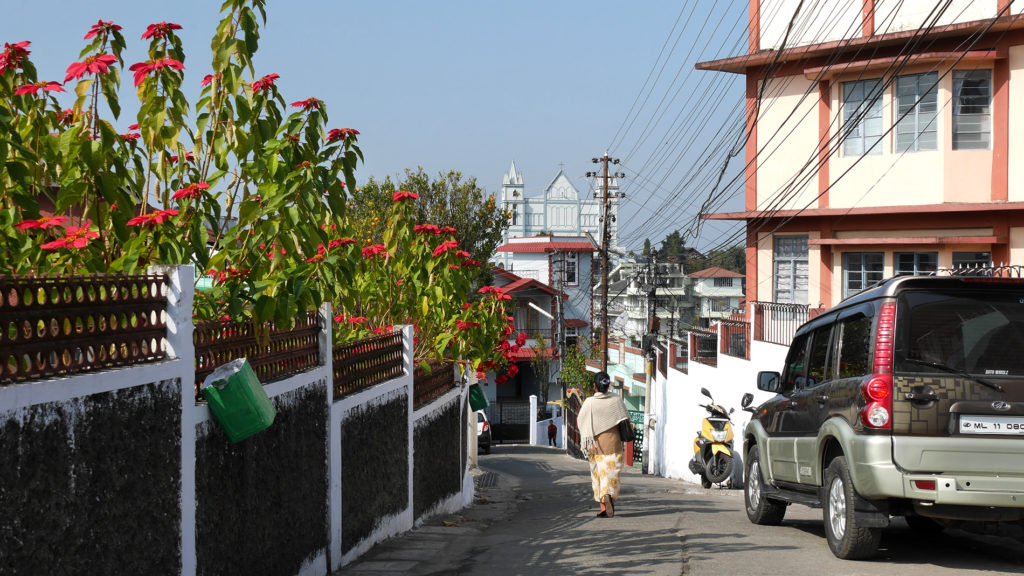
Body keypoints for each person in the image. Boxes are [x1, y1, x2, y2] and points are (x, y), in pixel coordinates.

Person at [578, 371, 629, 518]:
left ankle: (603, 506)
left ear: (595, 386)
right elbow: (625, 418)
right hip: (613, 442)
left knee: (598, 475)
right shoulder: (616, 400)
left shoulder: (589, 402)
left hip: (595, 445)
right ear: (608, 386)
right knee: (612, 475)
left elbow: (581, 421)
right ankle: (609, 496)